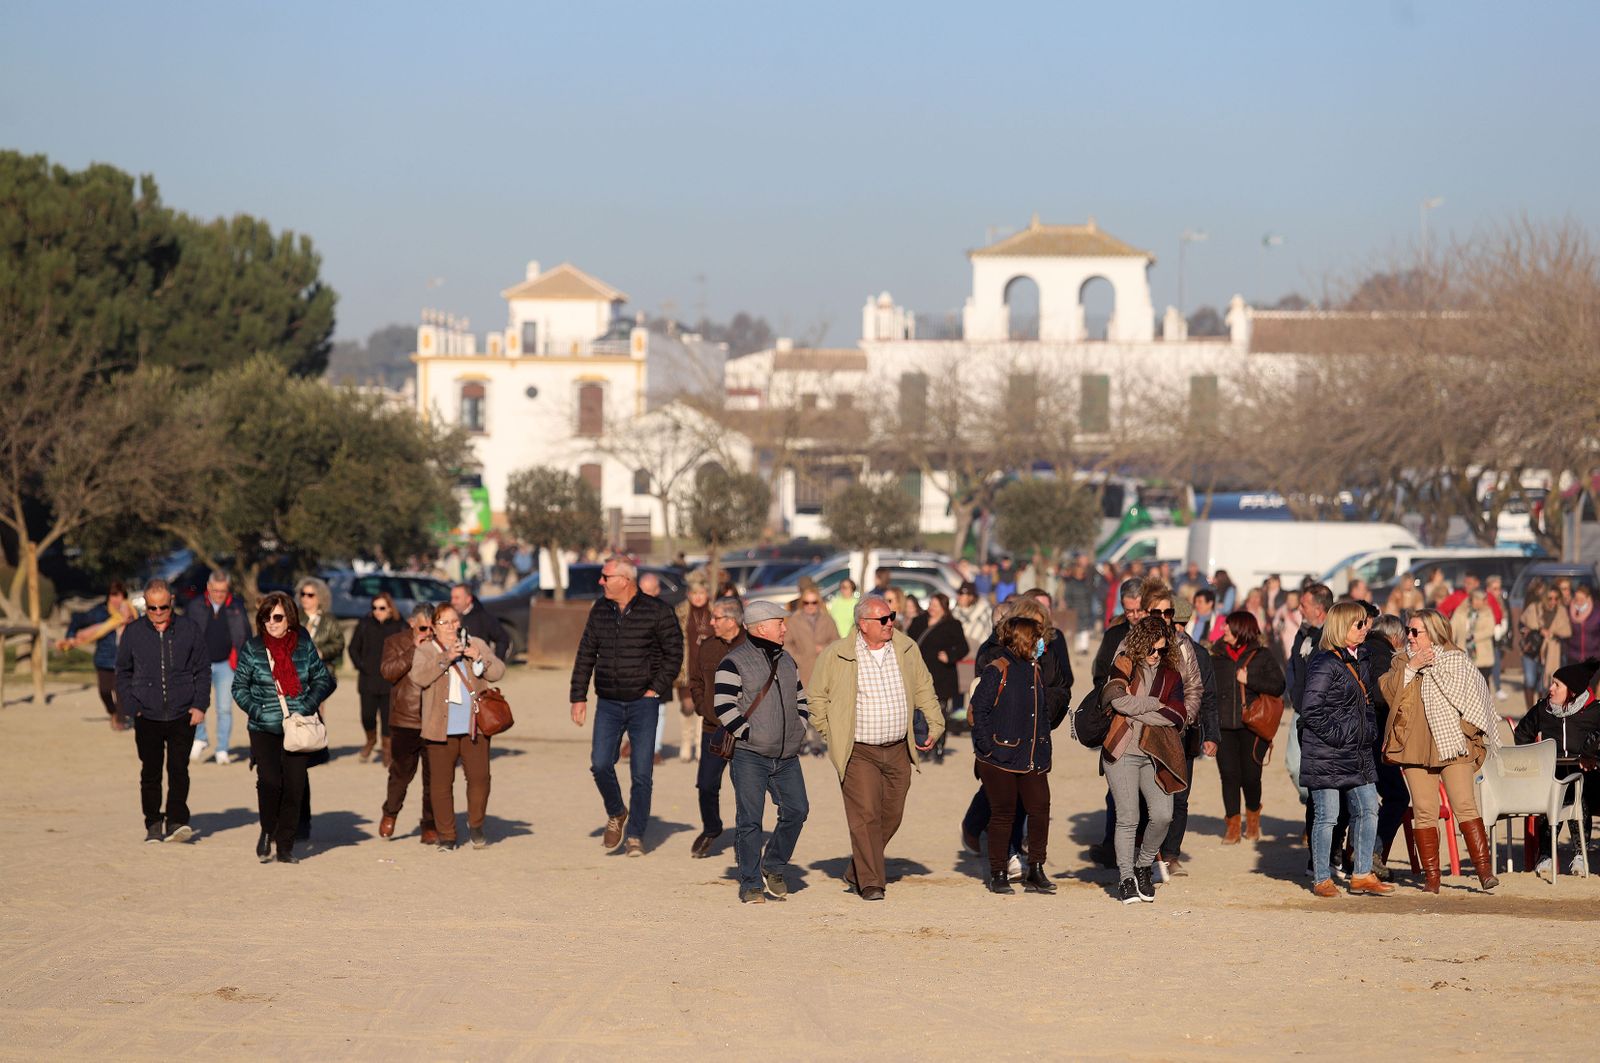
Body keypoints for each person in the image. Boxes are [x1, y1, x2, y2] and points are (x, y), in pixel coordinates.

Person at [806, 594, 942, 901]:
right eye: (883, 619)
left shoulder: (906, 648)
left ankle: (857, 867)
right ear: (863, 624)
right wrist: (832, 733)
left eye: (891, 616)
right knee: (865, 815)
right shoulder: (837, 654)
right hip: (859, 751)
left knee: (891, 814)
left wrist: (935, 723)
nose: (890, 622)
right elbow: (816, 698)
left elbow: (923, 686)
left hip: (897, 748)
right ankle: (870, 882)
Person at [1378, 608, 1502, 893]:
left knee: (1464, 804)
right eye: (1408, 631)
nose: (1408, 637)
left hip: (1452, 745)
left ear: (1433, 633)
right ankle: (1431, 878)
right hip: (1414, 747)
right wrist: (1411, 668)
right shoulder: (1400, 662)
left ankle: (1484, 871)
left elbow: (1476, 700)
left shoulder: (1456, 661)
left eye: (1415, 631)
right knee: (1424, 811)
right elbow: (1388, 693)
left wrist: (1466, 733)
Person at [569, 557, 684, 856]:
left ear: (625, 580)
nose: (601, 581)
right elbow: (585, 654)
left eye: (605, 576)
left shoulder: (658, 611)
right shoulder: (600, 610)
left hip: (643, 704)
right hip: (607, 702)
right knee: (600, 763)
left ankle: (635, 834)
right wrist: (578, 697)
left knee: (641, 773)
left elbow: (674, 654)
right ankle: (617, 811)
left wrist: (654, 689)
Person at [713, 600, 811, 903]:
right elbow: (723, 707)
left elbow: (801, 698)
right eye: (779, 623)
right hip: (749, 755)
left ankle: (774, 866)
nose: (785, 628)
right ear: (762, 627)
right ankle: (751, 882)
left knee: (797, 810)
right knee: (750, 820)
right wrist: (749, 734)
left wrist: (800, 726)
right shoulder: (733, 661)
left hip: (786, 755)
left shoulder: (786, 659)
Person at [232, 590, 336, 863]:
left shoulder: (304, 645)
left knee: (294, 786)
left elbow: (324, 680)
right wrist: (258, 710)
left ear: (289, 618)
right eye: (265, 617)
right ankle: (268, 829)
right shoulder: (253, 648)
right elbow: (239, 687)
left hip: (298, 726)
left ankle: (286, 845)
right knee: (269, 781)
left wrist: (305, 706)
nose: (271, 622)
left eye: (277, 617)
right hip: (263, 727)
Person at [1298, 601, 1391, 898]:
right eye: (1359, 624)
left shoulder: (1360, 658)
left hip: (1358, 751)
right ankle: (1322, 877)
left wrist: (1368, 731)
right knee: (1328, 815)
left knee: (1368, 809)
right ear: (1341, 626)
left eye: (1366, 623)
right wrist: (1341, 736)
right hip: (1327, 752)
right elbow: (1311, 710)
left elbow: (1364, 703)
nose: (1365, 629)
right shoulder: (1325, 662)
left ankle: (1362, 873)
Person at [968, 611, 1056, 896]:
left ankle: (1036, 868)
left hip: (1032, 757)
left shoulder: (1035, 670)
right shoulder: (998, 668)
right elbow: (979, 710)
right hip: (999, 758)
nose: (1041, 643)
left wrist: (1044, 749)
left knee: (1040, 808)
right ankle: (998, 872)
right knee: (1003, 814)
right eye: (1036, 638)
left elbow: (1041, 714)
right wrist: (987, 747)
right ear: (1023, 640)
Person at [1101, 617, 1187, 904]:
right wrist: (1153, 705)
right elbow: (1117, 701)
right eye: (1152, 649)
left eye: (1162, 650)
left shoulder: (1171, 674)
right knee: (1128, 818)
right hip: (1122, 749)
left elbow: (1176, 716)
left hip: (1155, 753)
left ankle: (1143, 865)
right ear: (1140, 644)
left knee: (1163, 814)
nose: (1156, 655)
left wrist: (1136, 709)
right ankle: (1126, 877)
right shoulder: (1124, 662)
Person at [116, 579, 209, 844]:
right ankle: (153, 822)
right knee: (151, 772)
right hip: (146, 714)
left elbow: (202, 670)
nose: (157, 613)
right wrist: (131, 706)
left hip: (183, 713)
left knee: (179, 769)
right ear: (145, 605)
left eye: (163, 607)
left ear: (172, 603)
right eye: (152, 608)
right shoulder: (133, 633)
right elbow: (122, 672)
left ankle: (177, 820)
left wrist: (200, 705)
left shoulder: (189, 629)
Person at [411, 603, 506, 851]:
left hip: (475, 725)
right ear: (433, 626)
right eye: (445, 623)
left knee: (480, 778)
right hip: (439, 728)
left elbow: (498, 672)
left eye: (455, 622)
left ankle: (476, 825)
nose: (452, 627)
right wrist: (446, 658)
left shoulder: (476, 643)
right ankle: (447, 836)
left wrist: (479, 657)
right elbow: (418, 678)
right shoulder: (425, 650)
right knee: (441, 785)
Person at [1513, 659, 1600, 876]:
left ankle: (1580, 854)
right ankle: (1546, 856)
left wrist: (1592, 753)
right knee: (1556, 789)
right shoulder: (1544, 709)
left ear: (1572, 691)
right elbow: (1521, 735)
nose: (1550, 689)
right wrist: (1536, 759)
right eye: (1551, 683)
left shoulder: (1594, 710)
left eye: (1557, 685)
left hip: (1590, 777)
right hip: (1553, 776)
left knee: (1577, 790)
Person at [1210, 610, 1286, 843]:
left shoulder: (1262, 655)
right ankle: (1232, 825)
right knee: (1229, 776)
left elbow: (1278, 686)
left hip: (1253, 726)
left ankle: (1253, 818)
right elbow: (1207, 693)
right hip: (1224, 726)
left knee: (1251, 777)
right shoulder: (1216, 656)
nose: (1223, 629)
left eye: (1228, 626)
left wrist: (1249, 680)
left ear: (1241, 630)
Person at [689, 597, 746, 857]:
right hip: (713, 729)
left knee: (746, 788)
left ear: (731, 621)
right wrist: (703, 707)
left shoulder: (753, 646)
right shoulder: (708, 646)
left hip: (745, 732)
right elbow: (696, 680)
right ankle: (711, 828)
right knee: (706, 784)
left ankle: (746, 839)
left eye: (716, 618)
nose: (710, 622)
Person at [378, 603, 437, 844]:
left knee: (434, 778)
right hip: (405, 718)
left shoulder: (440, 643)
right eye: (423, 628)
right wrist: (414, 649)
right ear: (412, 623)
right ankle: (390, 812)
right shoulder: (395, 641)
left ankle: (429, 824)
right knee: (401, 773)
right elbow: (388, 672)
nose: (428, 633)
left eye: (432, 628)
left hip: (435, 718)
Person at [185, 571, 252, 763]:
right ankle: (200, 738)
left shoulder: (237, 607)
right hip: (200, 664)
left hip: (227, 665)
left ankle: (222, 748)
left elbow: (245, 636)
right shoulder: (196, 605)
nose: (219, 594)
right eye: (215, 590)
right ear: (208, 587)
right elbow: (185, 633)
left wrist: (243, 661)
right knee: (196, 703)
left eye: (223, 591)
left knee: (224, 708)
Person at [59, 581, 137, 730]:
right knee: (105, 691)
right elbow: (78, 619)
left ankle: (121, 720)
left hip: (125, 660)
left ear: (124, 597)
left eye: (119, 596)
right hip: (104, 658)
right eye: (113, 595)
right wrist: (70, 636)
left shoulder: (132, 613)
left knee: (121, 690)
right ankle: (113, 712)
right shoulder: (100, 612)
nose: (116, 599)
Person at [348, 591, 405, 764]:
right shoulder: (365, 623)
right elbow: (352, 648)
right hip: (368, 680)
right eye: (374, 608)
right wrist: (362, 665)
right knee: (367, 716)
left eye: (382, 608)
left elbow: (407, 650)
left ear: (390, 608)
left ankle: (387, 749)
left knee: (388, 717)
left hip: (390, 681)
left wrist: (398, 669)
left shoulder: (399, 625)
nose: (377, 611)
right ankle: (371, 739)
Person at [785, 582, 839, 756]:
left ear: (819, 602)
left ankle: (816, 743)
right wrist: (799, 657)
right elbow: (787, 644)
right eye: (807, 603)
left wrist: (825, 648)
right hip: (801, 670)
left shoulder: (828, 619)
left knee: (819, 708)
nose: (810, 606)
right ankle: (800, 742)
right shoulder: (794, 620)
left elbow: (837, 642)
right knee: (799, 709)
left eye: (814, 602)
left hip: (822, 670)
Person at [916, 593, 968, 765]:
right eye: (931, 603)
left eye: (936, 604)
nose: (931, 607)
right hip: (920, 674)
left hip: (942, 675)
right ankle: (923, 746)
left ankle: (939, 747)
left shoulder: (952, 625)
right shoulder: (919, 621)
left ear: (944, 607)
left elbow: (963, 647)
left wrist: (950, 655)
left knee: (940, 713)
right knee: (920, 714)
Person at [675, 577, 714, 762]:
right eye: (694, 594)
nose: (698, 598)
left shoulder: (716, 611)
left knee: (704, 706)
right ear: (688, 595)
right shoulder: (681, 612)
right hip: (686, 665)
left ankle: (700, 745)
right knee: (687, 706)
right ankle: (685, 741)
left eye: (701, 593)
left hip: (708, 667)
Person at [1522, 583, 1571, 699]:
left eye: (1556, 598)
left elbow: (1567, 631)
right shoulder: (1534, 608)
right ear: (1544, 597)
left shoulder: (1561, 611)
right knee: (1530, 681)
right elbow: (1522, 623)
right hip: (1532, 650)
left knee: (1544, 685)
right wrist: (1539, 630)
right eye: (1550, 598)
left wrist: (1552, 633)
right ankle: (1529, 712)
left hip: (1551, 651)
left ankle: (1540, 712)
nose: (1553, 601)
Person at [450, 582, 511, 663]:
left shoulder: (483, 617)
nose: (452, 601)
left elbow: (502, 639)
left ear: (468, 599)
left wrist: (496, 662)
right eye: (452, 598)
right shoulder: (449, 616)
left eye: (457, 598)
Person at [296, 577, 345, 669]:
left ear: (320, 597)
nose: (305, 598)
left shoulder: (329, 620)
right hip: (297, 670)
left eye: (310, 595)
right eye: (303, 594)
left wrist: (322, 652)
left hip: (321, 670)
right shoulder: (294, 616)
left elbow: (338, 643)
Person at [1451, 587, 1497, 683]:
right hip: (1463, 652)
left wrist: (1474, 636)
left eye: (1480, 599)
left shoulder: (1487, 613)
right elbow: (1452, 628)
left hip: (1482, 654)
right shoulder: (1461, 612)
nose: (1477, 602)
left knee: (1482, 683)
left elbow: (1490, 630)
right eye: (1475, 599)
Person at [1059, 555, 1098, 653]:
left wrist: (1089, 608)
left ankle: (1084, 648)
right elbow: (1067, 597)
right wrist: (1070, 607)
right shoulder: (1070, 584)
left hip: (1085, 610)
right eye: (1080, 572)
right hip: (1074, 610)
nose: (1082, 574)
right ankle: (1077, 648)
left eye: (1083, 573)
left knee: (1085, 629)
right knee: (1076, 629)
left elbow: (1089, 597)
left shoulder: (1086, 584)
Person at [951, 581, 993, 657]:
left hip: (979, 654)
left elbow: (989, 631)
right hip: (960, 656)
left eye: (962, 594)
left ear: (971, 597)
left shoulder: (984, 611)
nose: (959, 597)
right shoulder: (954, 613)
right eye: (959, 593)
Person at [1564, 584, 1600, 666]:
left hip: (1593, 657)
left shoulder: (1597, 612)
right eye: (1577, 599)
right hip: (1573, 657)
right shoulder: (1568, 611)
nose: (1579, 602)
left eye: (1582, 599)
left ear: (1588, 598)